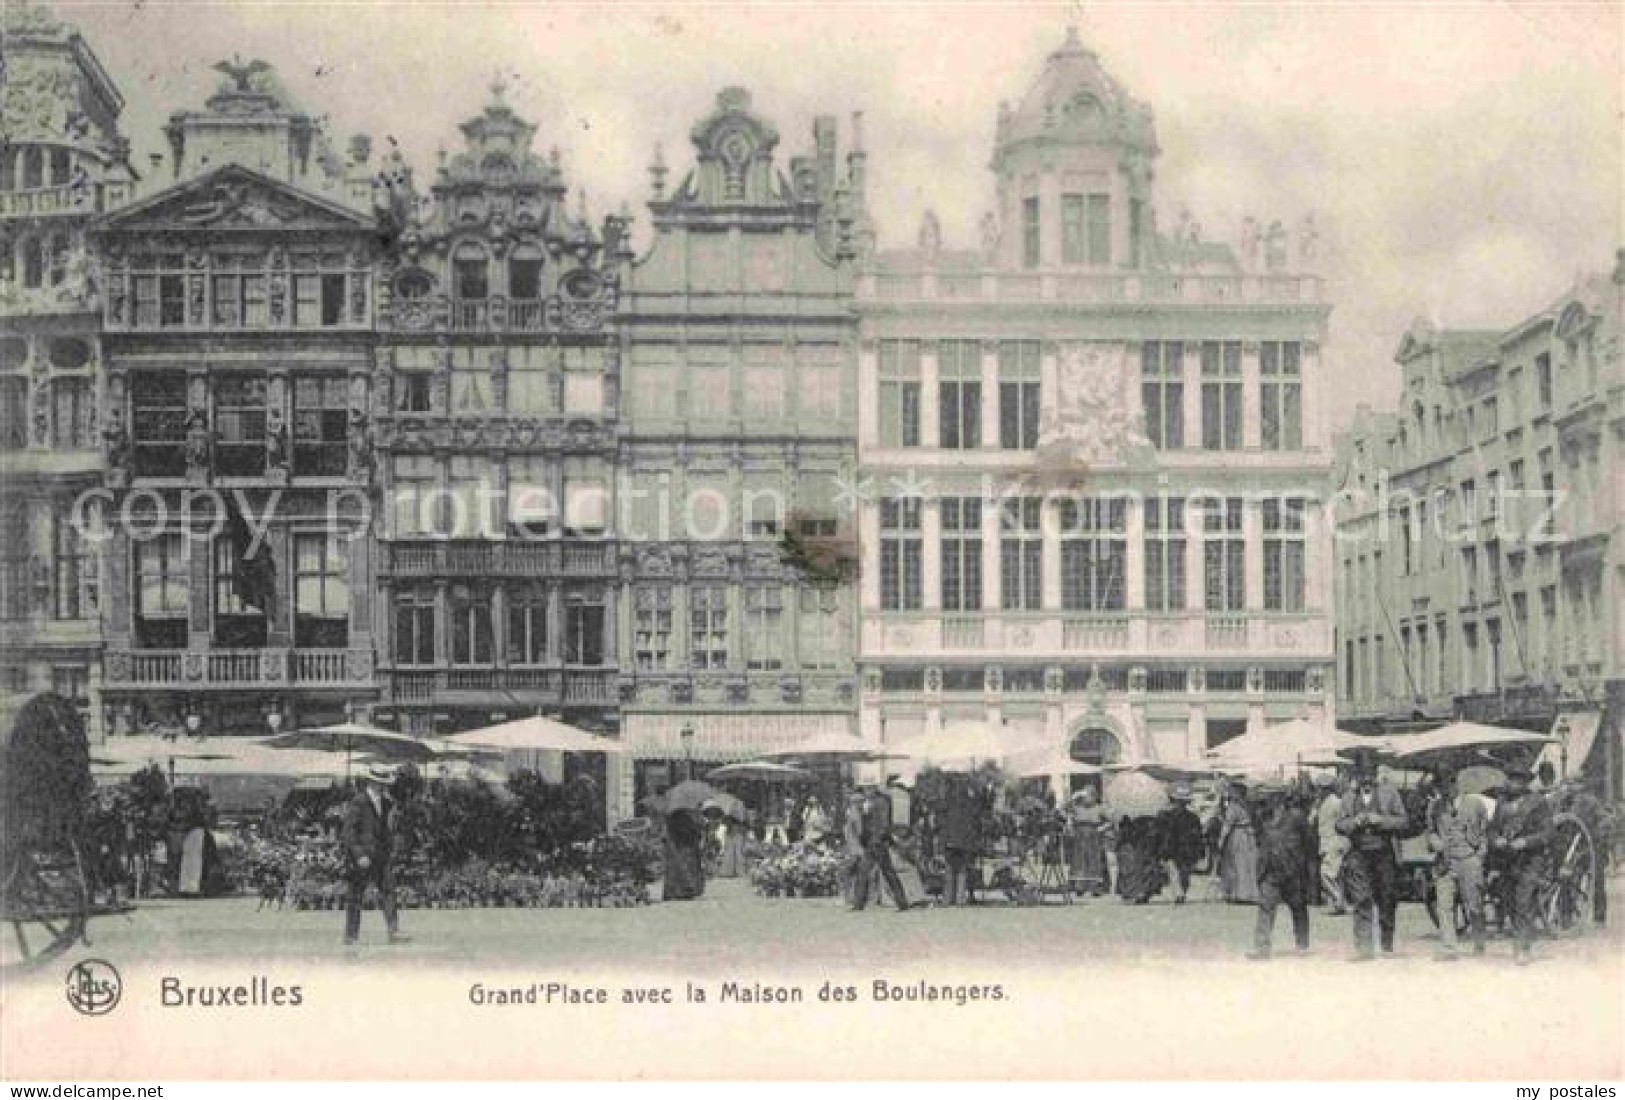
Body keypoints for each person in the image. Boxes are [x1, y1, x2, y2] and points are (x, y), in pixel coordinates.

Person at [1336, 757, 1409, 960]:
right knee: (1361, 898)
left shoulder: (1390, 793)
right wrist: (1354, 822)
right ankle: (1365, 948)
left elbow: (1404, 821)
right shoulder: (1348, 797)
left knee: (1387, 898)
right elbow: (1339, 824)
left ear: (1376, 775)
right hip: (1358, 853)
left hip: (1384, 853)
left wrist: (1382, 820)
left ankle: (1386, 943)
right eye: (1362, 776)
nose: (1366, 780)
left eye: (1370, 775)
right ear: (1357, 777)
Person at [1489, 763, 1553, 965]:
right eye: (1511, 778)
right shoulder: (1502, 802)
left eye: (1518, 779)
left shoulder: (1538, 802)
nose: (1513, 783)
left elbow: (1548, 833)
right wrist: (1495, 839)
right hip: (1508, 858)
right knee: (1507, 900)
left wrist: (1525, 842)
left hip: (1531, 859)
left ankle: (1521, 948)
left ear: (1526, 782)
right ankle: (1525, 939)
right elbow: (1492, 829)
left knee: (1523, 900)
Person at [340, 764, 409, 945]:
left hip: (380, 857)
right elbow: (348, 832)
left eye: (384, 783)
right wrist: (359, 854)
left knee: (389, 891)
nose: (382, 786)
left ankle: (394, 931)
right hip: (361, 858)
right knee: (355, 896)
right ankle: (351, 936)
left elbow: (385, 830)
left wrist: (390, 847)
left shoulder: (386, 803)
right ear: (370, 782)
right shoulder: (358, 802)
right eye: (379, 783)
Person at [1427, 768, 1490, 960]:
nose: (1446, 789)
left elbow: (1485, 832)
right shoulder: (1434, 808)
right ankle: (1449, 948)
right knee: (1444, 906)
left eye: (1449, 784)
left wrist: (1479, 856)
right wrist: (1434, 841)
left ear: (1457, 784)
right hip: (1445, 862)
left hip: (1469, 860)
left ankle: (1479, 942)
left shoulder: (1476, 804)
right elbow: (1430, 832)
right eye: (1441, 786)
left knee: (1474, 906)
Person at [1249, 786, 1315, 958]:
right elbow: (1259, 839)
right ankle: (1262, 948)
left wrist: (1305, 866)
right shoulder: (1262, 817)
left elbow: (1310, 843)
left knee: (1298, 907)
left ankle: (1302, 944)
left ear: (1280, 798)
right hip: (1270, 870)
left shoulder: (1297, 817)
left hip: (1293, 871)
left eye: (1271, 796)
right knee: (1266, 907)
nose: (1268, 801)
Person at [851, 784, 909, 912]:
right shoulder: (870, 802)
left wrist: (877, 839)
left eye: (866, 789)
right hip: (872, 843)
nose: (864, 792)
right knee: (866, 872)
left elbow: (884, 824)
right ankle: (858, 904)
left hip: (878, 843)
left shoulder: (881, 802)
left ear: (872, 789)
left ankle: (902, 903)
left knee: (886, 873)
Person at [1157, 785, 1205, 904]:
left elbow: (1198, 834)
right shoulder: (1166, 816)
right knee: (1174, 871)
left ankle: (1181, 892)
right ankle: (1179, 894)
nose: (1181, 805)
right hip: (1171, 848)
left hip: (1185, 849)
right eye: (1179, 802)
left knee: (1184, 873)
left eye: (1183, 802)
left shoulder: (1192, 817)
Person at [941, 773, 983, 906]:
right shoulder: (970, 805)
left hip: (951, 842)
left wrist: (944, 841)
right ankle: (960, 899)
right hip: (965, 842)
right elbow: (975, 824)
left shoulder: (949, 804)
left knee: (949, 871)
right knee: (962, 871)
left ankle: (947, 899)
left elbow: (944, 824)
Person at [1217, 781, 1261, 904]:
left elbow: (1227, 825)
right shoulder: (1249, 805)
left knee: (1237, 864)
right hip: (1249, 836)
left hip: (1237, 835)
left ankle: (1240, 894)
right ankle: (1251, 893)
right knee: (1250, 865)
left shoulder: (1233, 806)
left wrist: (1221, 839)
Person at [1065, 787, 1111, 897]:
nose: (1086, 798)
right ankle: (1079, 886)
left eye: (1089, 796)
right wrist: (1074, 797)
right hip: (1079, 836)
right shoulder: (1077, 808)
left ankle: (1095, 887)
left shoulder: (1100, 808)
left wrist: (1101, 829)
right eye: (1085, 796)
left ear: (1094, 797)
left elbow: (1110, 821)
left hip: (1094, 836)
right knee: (1079, 860)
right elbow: (1064, 808)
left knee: (1094, 861)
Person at [1314, 773, 1349, 915]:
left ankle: (1338, 900)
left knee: (1325, 874)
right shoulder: (1322, 803)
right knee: (1334, 875)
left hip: (1335, 841)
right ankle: (1338, 903)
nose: (1318, 791)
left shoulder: (1336, 802)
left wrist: (1344, 842)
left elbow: (1343, 822)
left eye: (1320, 788)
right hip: (1326, 842)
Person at [1115, 814, 1165, 904]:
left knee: (1147, 864)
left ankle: (1144, 892)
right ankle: (1132, 892)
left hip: (1148, 828)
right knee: (1131, 865)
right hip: (1132, 828)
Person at [662, 804, 706, 901]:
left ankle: (674, 892)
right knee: (686, 869)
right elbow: (690, 832)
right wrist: (696, 830)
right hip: (686, 848)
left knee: (675, 869)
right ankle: (686, 891)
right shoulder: (687, 817)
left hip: (675, 847)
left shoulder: (670, 817)